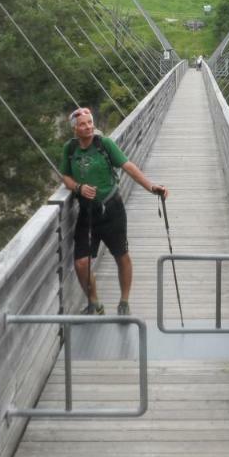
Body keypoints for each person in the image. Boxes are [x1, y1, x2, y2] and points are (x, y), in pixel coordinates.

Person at [60, 107, 167, 316]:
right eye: (82, 124)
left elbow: (128, 166)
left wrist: (152, 187)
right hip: (87, 212)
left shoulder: (104, 144)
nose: (88, 127)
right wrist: (78, 187)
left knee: (121, 255)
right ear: (75, 129)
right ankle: (95, 303)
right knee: (82, 262)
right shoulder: (70, 149)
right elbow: (65, 176)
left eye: (90, 122)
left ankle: (124, 301)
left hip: (112, 209)